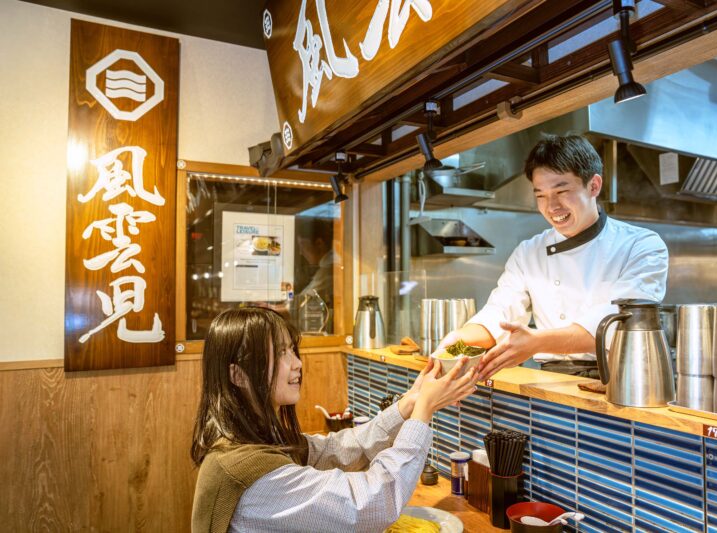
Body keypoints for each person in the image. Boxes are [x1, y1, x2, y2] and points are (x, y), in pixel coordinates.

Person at [190, 307, 479, 532]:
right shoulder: (256, 476)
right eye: (280, 352)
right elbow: (369, 506)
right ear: (238, 374)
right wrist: (423, 413)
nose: (297, 363)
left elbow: (335, 451)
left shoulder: (252, 440)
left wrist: (409, 404)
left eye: (292, 349)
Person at [436, 134, 669, 380]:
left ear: (594, 186)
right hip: (551, 382)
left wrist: (535, 343)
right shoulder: (529, 252)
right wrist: (456, 342)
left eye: (562, 190)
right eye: (541, 196)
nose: (551, 206)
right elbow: (499, 313)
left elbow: (619, 326)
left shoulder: (640, 245)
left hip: (619, 383)